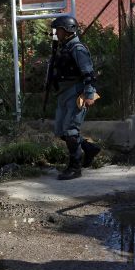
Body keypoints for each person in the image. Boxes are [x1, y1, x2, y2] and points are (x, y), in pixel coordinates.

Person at [49, 15, 100, 180]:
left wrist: (89, 94)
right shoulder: (64, 47)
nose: (56, 32)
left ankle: (75, 167)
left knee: (71, 131)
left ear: (68, 30)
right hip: (64, 93)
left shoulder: (77, 48)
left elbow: (89, 73)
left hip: (76, 93)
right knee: (61, 130)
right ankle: (89, 148)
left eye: (59, 30)